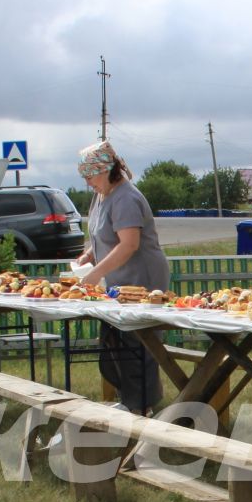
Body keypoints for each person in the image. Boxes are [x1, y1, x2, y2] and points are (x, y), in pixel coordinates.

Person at [69, 139, 170, 415]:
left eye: (90, 175)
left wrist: (95, 273)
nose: (87, 181)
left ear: (106, 170)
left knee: (137, 345)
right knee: (113, 343)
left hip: (142, 279)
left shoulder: (126, 197)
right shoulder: (101, 195)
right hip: (118, 280)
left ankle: (142, 407)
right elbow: (104, 234)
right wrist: (89, 256)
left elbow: (129, 243)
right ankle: (130, 402)